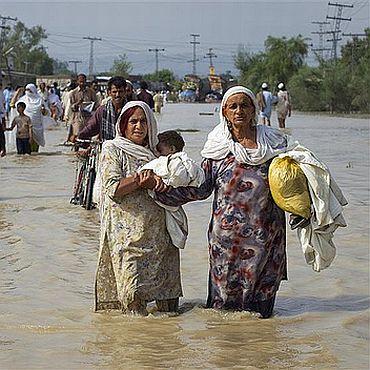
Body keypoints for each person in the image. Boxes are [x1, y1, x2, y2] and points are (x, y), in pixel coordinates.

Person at [155, 86, 294, 318]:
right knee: (222, 317)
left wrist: (308, 213)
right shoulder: (217, 149)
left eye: (244, 105)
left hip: (266, 240)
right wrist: (159, 192)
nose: (239, 110)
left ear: (254, 109)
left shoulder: (274, 146)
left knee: (261, 317)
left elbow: (290, 187)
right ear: (225, 112)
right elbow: (201, 189)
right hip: (227, 244)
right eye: (233, 106)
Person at [95, 101, 182, 315]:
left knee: (168, 311)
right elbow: (112, 187)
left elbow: (177, 183)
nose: (139, 126)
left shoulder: (156, 152)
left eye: (144, 121)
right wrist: (139, 180)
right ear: (123, 125)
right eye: (133, 121)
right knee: (132, 300)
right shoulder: (112, 149)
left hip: (160, 238)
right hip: (127, 240)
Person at [139, 130, 205, 249]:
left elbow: (178, 177)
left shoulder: (176, 162)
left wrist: (165, 182)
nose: (157, 154)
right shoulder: (185, 163)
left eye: (160, 150)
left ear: (172, 149)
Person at [77, 76, 127, 142]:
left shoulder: (131, 110)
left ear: (125, 92)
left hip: (127, 147)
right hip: (107, 148)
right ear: (109, 92)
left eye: (120, 92)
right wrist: (80, 135)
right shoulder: (102, 110)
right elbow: (91, 126)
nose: (117, 95)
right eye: (114, 92)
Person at [68, 74, 98, 142]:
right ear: (77, 82)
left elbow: (96, 103)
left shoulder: (91, 92)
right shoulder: (73, 93)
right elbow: (72, 107)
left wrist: (91, 106)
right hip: (78, 117)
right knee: (77, 134)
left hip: (88, 117)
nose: (82, 83)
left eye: (83, 81)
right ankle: (76, 149)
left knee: (88, 134)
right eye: (80, 81)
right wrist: (78, 103)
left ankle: (87, 150)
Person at [17, 84, 46, 152]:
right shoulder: (23, 99)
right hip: (25, 127)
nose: (27, 92)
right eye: (26, 90)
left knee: (35, 150)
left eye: (29, 90)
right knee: (25, 149)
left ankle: (34, 160)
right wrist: (17, 93)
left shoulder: (40, 100)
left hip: (37, 126)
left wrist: (43, 110)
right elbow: (13, 105)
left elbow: (46, 113)